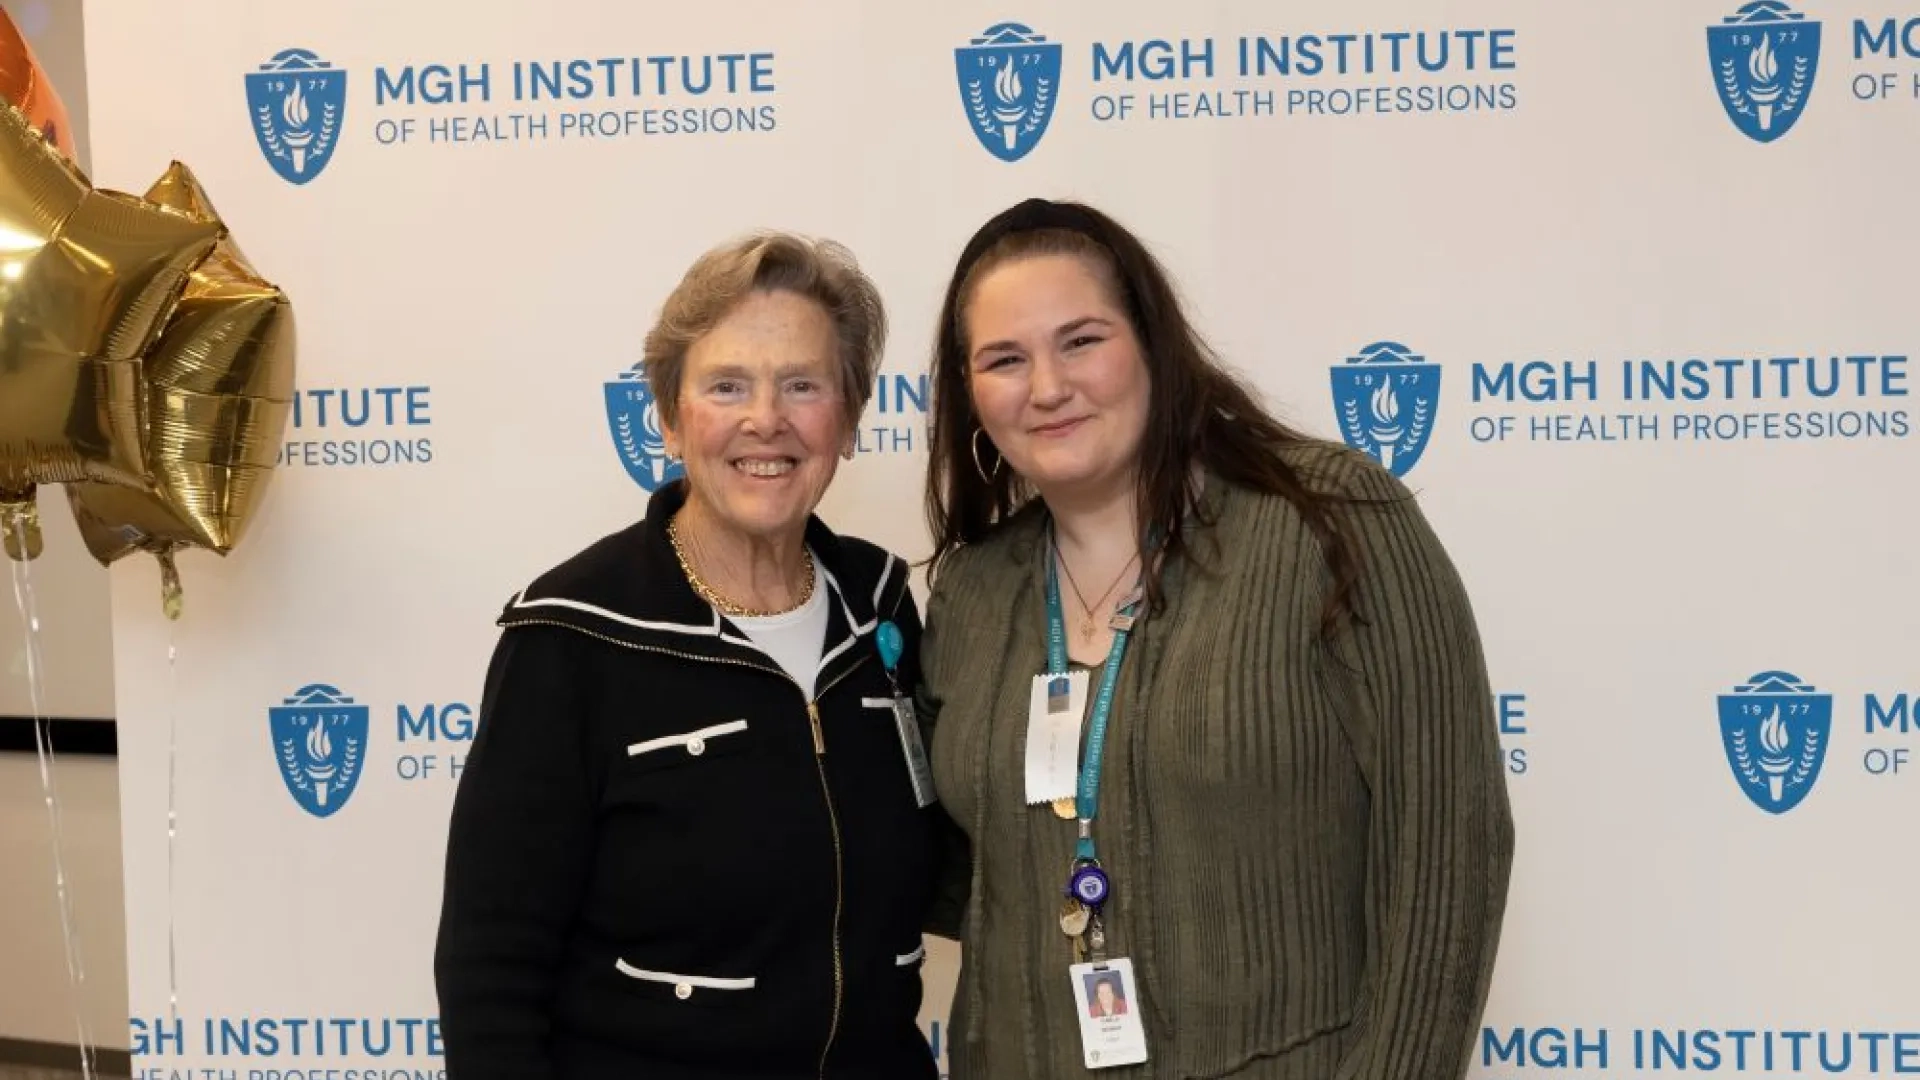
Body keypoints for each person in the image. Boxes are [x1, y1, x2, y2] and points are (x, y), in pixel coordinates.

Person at [916, 197, 1515, 1078]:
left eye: (1081, 340)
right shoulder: (972, 592)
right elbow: (966, 879)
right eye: (1005, 359)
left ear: (1154, 345)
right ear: (971, 397)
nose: (1046, 387)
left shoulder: (1332, 522)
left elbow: (1447, 856)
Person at [434, 232, 943, 1080]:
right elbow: (490, 969)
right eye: (727, 386)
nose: (765, 419)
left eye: (803, 385)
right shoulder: (570, 635)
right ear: (671, 419)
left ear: (849, 419)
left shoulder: (882, 606)